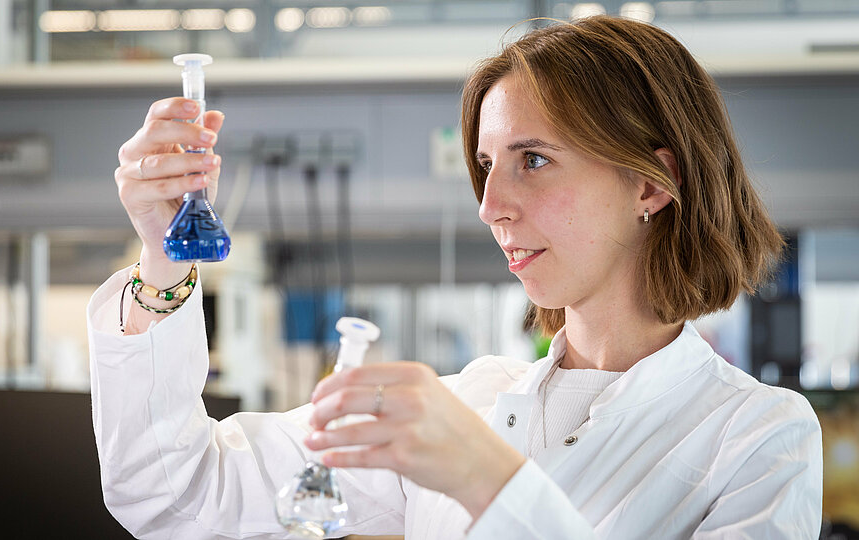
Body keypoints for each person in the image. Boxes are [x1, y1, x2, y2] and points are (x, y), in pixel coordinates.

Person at [88, 15, 822, 539]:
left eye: (532, 159)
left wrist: (483, 477)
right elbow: (175, 496)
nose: (490, 205)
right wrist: (163, 261)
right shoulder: (465, 403)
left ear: (650, 184)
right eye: (484, 165)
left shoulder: (758, 438)